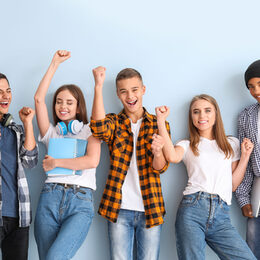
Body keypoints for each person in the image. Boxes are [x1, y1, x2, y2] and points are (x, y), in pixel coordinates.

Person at [154, 94, 256, 260]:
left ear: (216, 114)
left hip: (222, 214)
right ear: (191, 117)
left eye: (207, 110)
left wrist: (245, 157)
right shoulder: (186, 145)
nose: (202, 116)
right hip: (192, 210)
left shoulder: (232, 144)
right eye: (196, 112)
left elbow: (233, 185)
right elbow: (172, 157)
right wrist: (160, 121)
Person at [90, 66, 170, 260]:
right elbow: (99, 129)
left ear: (143, 90)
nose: (130, 96)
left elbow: (161, 167)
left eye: (134, 89)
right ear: (117, 94)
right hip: (119, 208)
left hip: (150, 207)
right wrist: (98, 86)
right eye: (123, 91)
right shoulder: (114, 121)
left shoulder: (158, 123)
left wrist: (158, 152)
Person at [34, 50, 101, 260]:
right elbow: (38, 99)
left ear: (78, 105)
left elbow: (92, 161)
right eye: (59, 101)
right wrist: (54, 63)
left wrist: (55, 162)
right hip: (49, 198)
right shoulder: (51, 132)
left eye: (69, 102)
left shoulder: (90, 131)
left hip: (80, 200)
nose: (63, 106)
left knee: (55, 257)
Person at [0, 73, 38, 260]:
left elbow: (30, 161)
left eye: (8, 91)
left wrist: (27, 124)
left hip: (18, 215)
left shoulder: (15, 130)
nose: (5, 96)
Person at [235, 60, 260, 259]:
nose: (255, 91)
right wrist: (243, 199)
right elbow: (247, 160)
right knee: (252, 247)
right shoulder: (246, 117)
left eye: (259, 84)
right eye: (251, 87)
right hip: (258, 192)